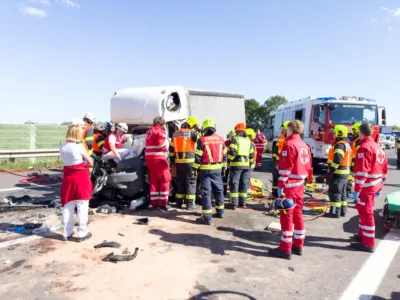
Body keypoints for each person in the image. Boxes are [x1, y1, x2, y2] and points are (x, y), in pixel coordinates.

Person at [268, 120, 312, 260]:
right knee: (298, 215)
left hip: (290, 186)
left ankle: (285, 249)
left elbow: (285, 169)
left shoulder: (289, 145)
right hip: (300, 184)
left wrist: (280, 186)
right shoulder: (304, 145)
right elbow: (309, 167)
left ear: (291, 129)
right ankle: (298, 245)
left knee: (286, 215)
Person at [351, 123, 388, 252]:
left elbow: (362, 171)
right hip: (374, 185)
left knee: (366, 213)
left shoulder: (365, 148)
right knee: (363, 211)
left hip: (367, 186)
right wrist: (380, 186)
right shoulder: (378, 148)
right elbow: (384, 169)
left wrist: (357, 189)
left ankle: (368, 243)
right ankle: (362, 235)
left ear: (361, 133)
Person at [59, 124, 93, 242]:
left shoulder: (62, 146)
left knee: (67, 205)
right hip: (81, 178)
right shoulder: (79, 147)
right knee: (82, 206)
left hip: (68, 178)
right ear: (76, 134)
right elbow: (90, 162)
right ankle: (82, 233)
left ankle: (66, 233)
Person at [193, 119, 226, 225]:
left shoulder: (202, 140)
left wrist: (194, 168)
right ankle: (220, 212)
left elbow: (198, 156)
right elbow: (224, 155)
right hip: (218, 169)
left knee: (206, 193)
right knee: (219, 190)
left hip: (205, 170)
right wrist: (224, 168)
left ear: (205, 129)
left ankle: (207, 217)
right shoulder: (221, 139)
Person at [169, 116, 200, 210]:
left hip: (178, 162)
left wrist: (172, 160)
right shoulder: (192, 133)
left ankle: (179, 203)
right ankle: (190, 204)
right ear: (193, 125)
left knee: (181, 182)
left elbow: (171, 149)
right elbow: (200, 141)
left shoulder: (175, 133)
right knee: (191, 181)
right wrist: (198, 130)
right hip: (189, 162)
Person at [145, 116, 172, 211]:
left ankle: (154, 203)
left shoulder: (148, 131)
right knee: (165, 180)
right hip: (159, 159)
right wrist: (167, 142)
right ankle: (163, 204)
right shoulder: (160, 131)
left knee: (154, 181)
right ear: (161, 124)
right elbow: (161, 146)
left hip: (149, 159)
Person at [326, 125, 352, 218]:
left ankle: (334, 213)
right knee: (342, 193)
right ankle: (342, 211)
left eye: (334, 132)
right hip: (344, 173)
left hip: (338, 172)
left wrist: (330, 172)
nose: (332, 134)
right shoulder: (346, 144)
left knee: (335, 192)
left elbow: (337, 160)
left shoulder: (339, 144)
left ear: (339, 133)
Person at [228, 122, 255, 208]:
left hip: (237, 164)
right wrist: (250, 164)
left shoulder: (235, 139)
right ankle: (242, 202)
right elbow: (251, 154)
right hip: (246, 165)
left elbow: (232, 151)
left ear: (237, 130)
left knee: (234, 183)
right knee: (244, 183)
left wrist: (229, 161)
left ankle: (234, 203)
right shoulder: (248, 141)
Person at [271, 121, 290, 197]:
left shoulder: (291, 138)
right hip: (278, 160)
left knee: (284, 177)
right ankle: (275, 192)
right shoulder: (281, 137)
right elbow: (276, 147)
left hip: (286, 161)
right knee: (275, 175)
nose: (282, 131)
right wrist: (274, 158)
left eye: (283, 129)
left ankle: (283, 193)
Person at [223, 130, 235, 196]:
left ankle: (232, 192)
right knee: (224, 177)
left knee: (233, 179)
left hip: (234, 163)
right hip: (226, 163)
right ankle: (223, 192)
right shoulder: (225, 143)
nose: (231, 138)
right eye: (230, 136)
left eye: (233, 136)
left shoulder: (236, 143)